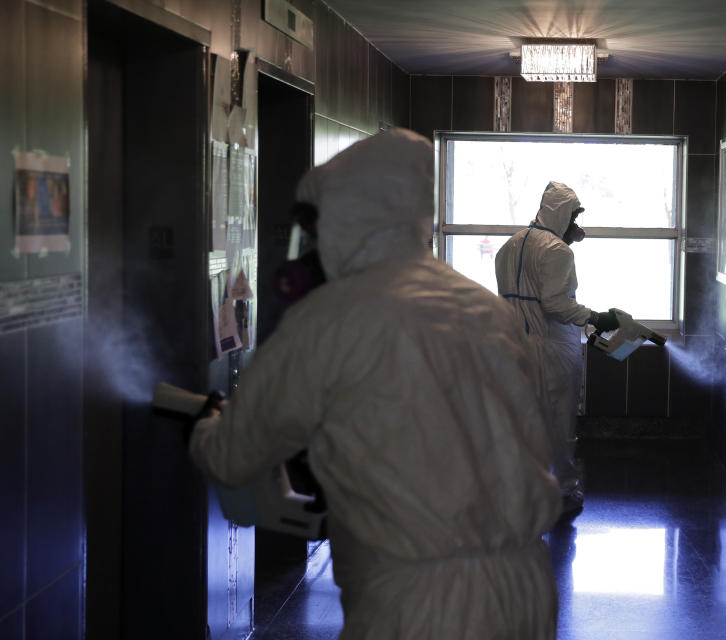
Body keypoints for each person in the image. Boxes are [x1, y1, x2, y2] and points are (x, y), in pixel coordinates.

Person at [189, 128, 562, 639]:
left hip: (418, 603)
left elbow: (235, 455)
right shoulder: (482, 307)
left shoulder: (333, 317)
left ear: (346, 220)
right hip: (525, 586)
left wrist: (208, 426)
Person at [494, 181, 618, 519]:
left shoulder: (510, 246)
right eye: (574, 215)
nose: (577, 223)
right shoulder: (558, 251)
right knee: (559, 425)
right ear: (561, 213)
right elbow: (555, 304)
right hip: (552, 350)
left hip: (513, 348)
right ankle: (561, 492)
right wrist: (595, 318)